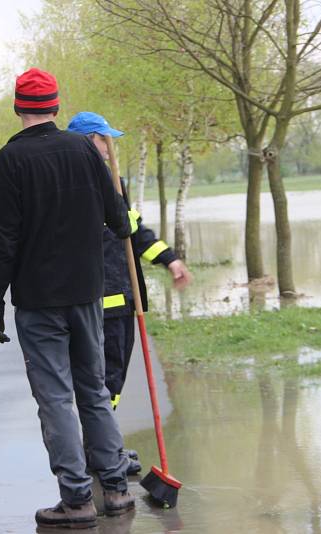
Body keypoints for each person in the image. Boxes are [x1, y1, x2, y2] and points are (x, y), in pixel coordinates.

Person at [0, 68, 137, 529]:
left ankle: (76, 501)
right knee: (92, 388)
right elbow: (118, 217)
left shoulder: (10, 160)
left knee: (55, 397)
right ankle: (114, 489)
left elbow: (4, 240)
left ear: (17, 107)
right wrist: (121, 224)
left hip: (38, 300)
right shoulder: (84, 150)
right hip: (88, 293)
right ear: (55, 105)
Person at [67, 111, 193, 427]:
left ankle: (104, 444)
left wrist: (169, 259)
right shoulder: (78, 185)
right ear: (87, 142)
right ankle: (102, 449)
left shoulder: (114, 183)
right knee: (106, 376)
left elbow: (134, 235)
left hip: (123, 298)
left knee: (114, 374)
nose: (109, 149)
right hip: (103, 301)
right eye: (103, 140)